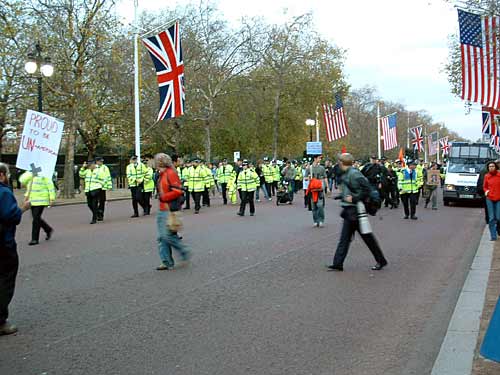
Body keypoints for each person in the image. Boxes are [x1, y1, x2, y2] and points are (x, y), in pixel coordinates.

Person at [328, 153, 388, 272]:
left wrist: (354, 198)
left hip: (355, 210)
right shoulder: (348, 173)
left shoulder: (354, 174)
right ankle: (338, 263)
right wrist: (342, 196)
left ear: (341, 163)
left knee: (365, 238)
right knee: (347, 238)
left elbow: (367, 189)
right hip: (350, 210)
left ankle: (381, 260)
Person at [0, 162, 30, 335]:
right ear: (2, 175)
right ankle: (1, 321)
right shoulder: (3, 192)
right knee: (5, 279)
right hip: (3, 244)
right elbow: (10, 215)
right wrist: (23, 208)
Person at [154, 153, 191, 270]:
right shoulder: (162, 174)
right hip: (163, 208)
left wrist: (164, 197)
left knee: (166, 236)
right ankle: (166, 261)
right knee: (162, 237)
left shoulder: (170, 173)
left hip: (168, 208)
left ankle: (183, 250)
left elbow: (177, 191)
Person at [19, 170, 55, 246]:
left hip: (41, 200)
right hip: (32, 200)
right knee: (36, 218)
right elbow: (23, 180)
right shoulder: (31, 173)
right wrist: (31, 172)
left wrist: (52, 198)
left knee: (36, 218)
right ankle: (48, 229)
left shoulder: (45, 173)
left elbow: (50, 186)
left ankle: (34, 239)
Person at [305, 154, 328, 227]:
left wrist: (327, 187)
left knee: (320, 205)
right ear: (315, 159)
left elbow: (325, 177)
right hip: (312, 189)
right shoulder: (309, 168)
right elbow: (305, 178)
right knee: (313, 206)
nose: (320, 159)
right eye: (319, 158)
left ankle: (321, 220)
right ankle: (315, 221)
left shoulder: (322, 168)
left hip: (320, 189)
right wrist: (308, 178)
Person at [79, 160, 105, 224]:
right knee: (89, 204)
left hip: (96, 190)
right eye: (89, 166)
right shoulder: (87, 171)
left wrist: (99, 186)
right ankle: (98, 212)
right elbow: (81, 174)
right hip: (88, 190)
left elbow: (103, 179)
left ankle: (94, 219)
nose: (90, 167)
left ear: (93, 165)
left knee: (94, 205)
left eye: (90, 166)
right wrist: (83, 167)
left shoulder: (99, 170)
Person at [483, 161, 500, 241]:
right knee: (491, 218)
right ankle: (493, 236)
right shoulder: (487, 176)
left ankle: (497, 229)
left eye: (493, 166)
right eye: (490, 166)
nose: (491, 168)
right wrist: (487, 192)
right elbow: (485, 186)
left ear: (496, 167)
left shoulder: (499, 175)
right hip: (489, 198)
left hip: (499, 198)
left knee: (498, 217)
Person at [96, 157, 112, 221]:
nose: (101, 163)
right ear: (97, 161)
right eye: (100, 161)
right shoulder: (94, 167)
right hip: (95, 187)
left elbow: (108, 176)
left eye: (102, 161)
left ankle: (101, 215)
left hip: (103, 187)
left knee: (102, 201)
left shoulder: (105, 168)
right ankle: (97, 213)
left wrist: (109, 186)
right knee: (95, 202)